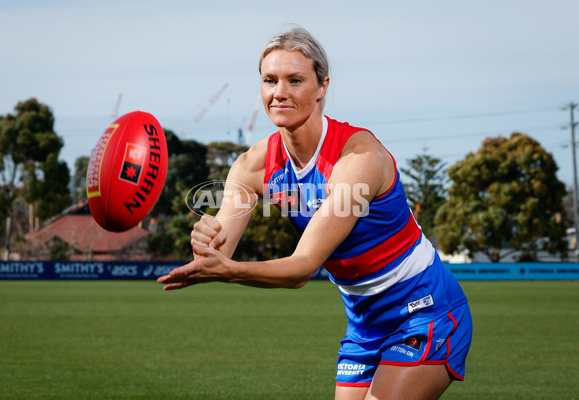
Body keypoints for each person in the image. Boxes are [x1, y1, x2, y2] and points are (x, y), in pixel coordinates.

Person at [158, 26, 472, 400]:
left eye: (295, 80)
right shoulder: (252, 166)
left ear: (322, 86)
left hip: (426, 311)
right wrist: (206, 240)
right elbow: (215, 255)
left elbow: (303, 267)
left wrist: (231, 272)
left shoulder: (357, 158)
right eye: (269, 80)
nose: (280, 93)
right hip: (365, 324)